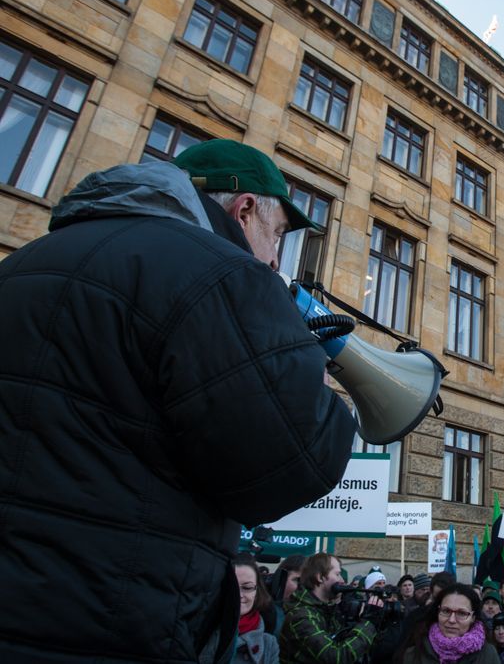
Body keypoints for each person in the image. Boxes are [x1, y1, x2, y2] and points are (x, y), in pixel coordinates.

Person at [0, 141, 360, 663]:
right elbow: (291, 463)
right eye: (277, 233)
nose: (277, 258)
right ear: (242, 211)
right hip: (115, 617)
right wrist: (303, 366)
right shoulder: (221, 273)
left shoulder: (26, 263)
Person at [279, 553, 383, 664]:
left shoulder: (323, 609)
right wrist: (368, 623)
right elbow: (336, 656)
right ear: (320, 577)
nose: (342, 580)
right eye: (337, 574)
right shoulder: (301, 616)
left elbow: (346, 644)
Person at [400, 584, 500, 664]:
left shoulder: (488, 654)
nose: (452, 620)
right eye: (446, 611)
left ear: (473, 618)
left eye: (461, 613)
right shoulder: (414, 653)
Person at [234, 554, 281, 664]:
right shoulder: (201, 629)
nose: (239, 595)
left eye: (247, 587)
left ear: (257, 592)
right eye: (232, 586)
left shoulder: (269, 643)